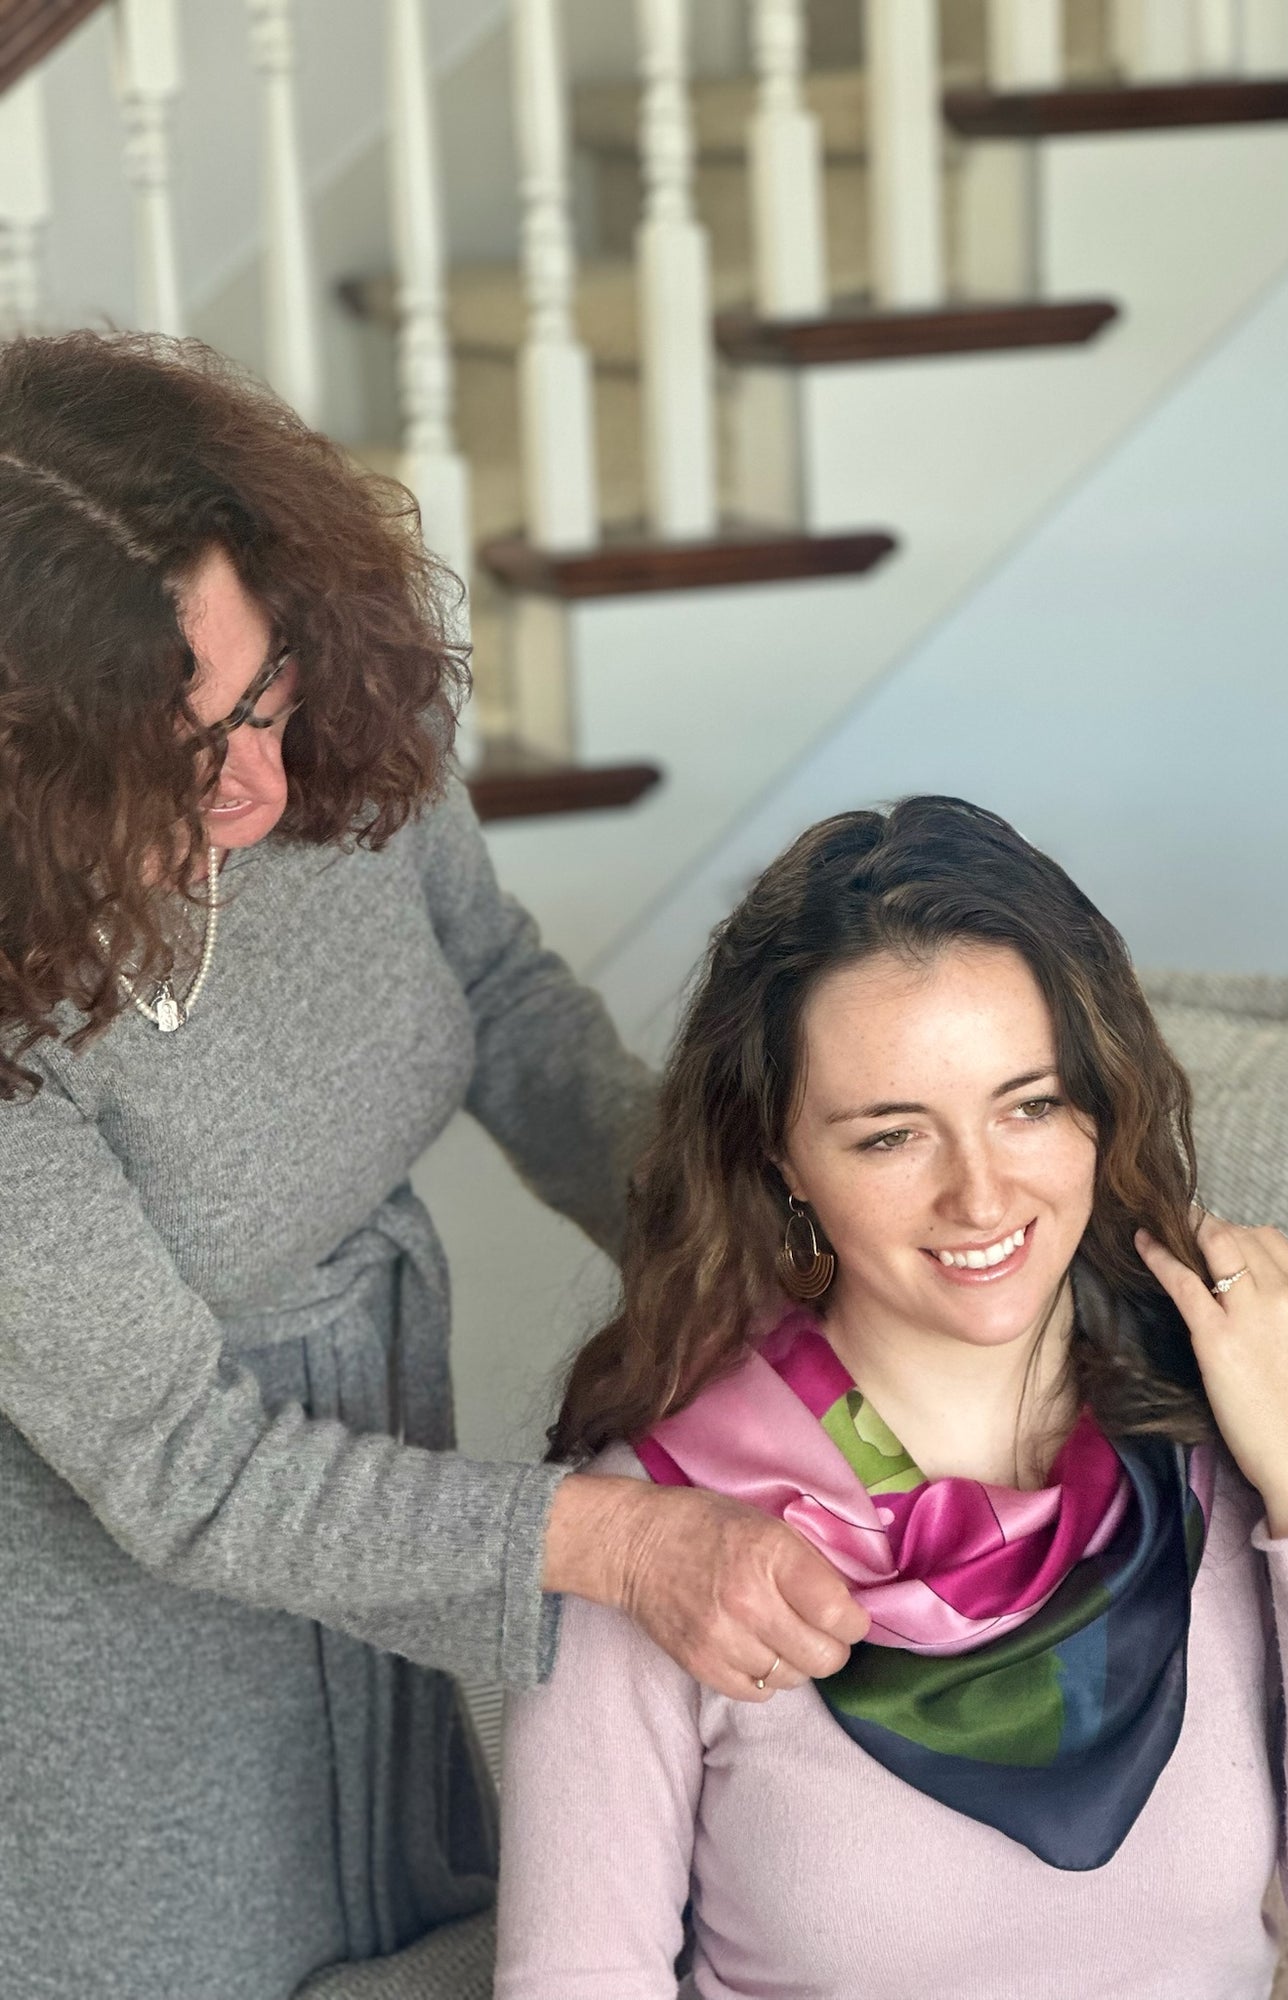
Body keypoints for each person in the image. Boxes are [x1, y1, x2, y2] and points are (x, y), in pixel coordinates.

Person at [0, 330, 866, 2000]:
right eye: (178, 758)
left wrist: (749, 1258)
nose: (256, 781)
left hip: (375, 1493)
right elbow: (194, 1470)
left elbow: (503, 996)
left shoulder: (330, 757)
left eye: (260, 697)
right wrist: (617, 1543)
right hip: (121, 1673)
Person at [495, 795, 1288, 2000]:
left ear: (1101, 1103)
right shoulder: (655, 1535)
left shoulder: (1227, 1452)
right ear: (780, 1157)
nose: (982, 1197)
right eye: (890, 1136)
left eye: (1029, 1105)